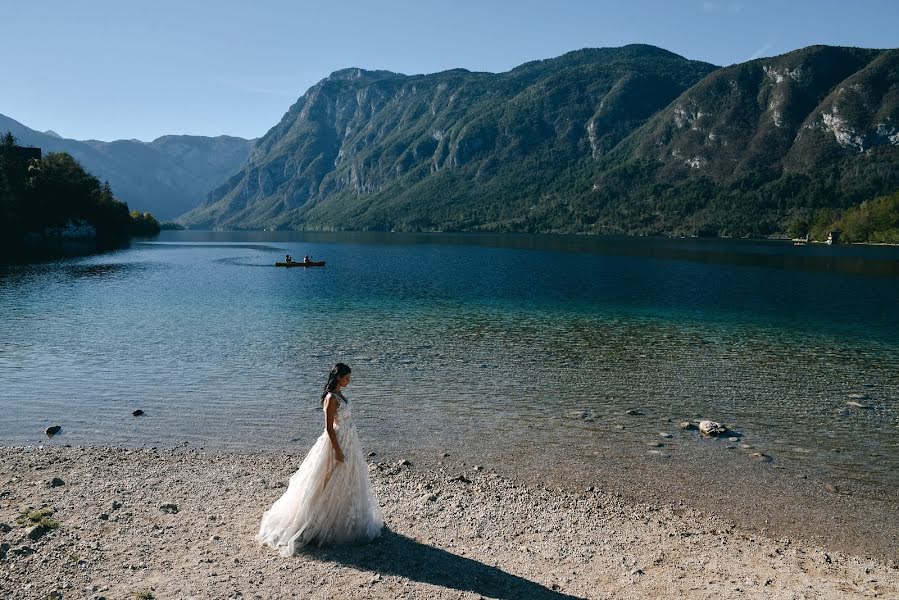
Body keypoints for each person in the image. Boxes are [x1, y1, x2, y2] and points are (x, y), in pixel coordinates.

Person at [257, 363, 383, 554]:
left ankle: (346, 518)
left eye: (349, 378)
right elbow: (329, 428)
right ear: (338, 377)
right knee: (328, 480)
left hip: (349, 441)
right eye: (346, 378)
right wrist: (338, 451)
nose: (349, 381)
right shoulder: (331, 398)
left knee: (348, 478)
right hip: (337, 443)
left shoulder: (340, 394)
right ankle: (317, 521)